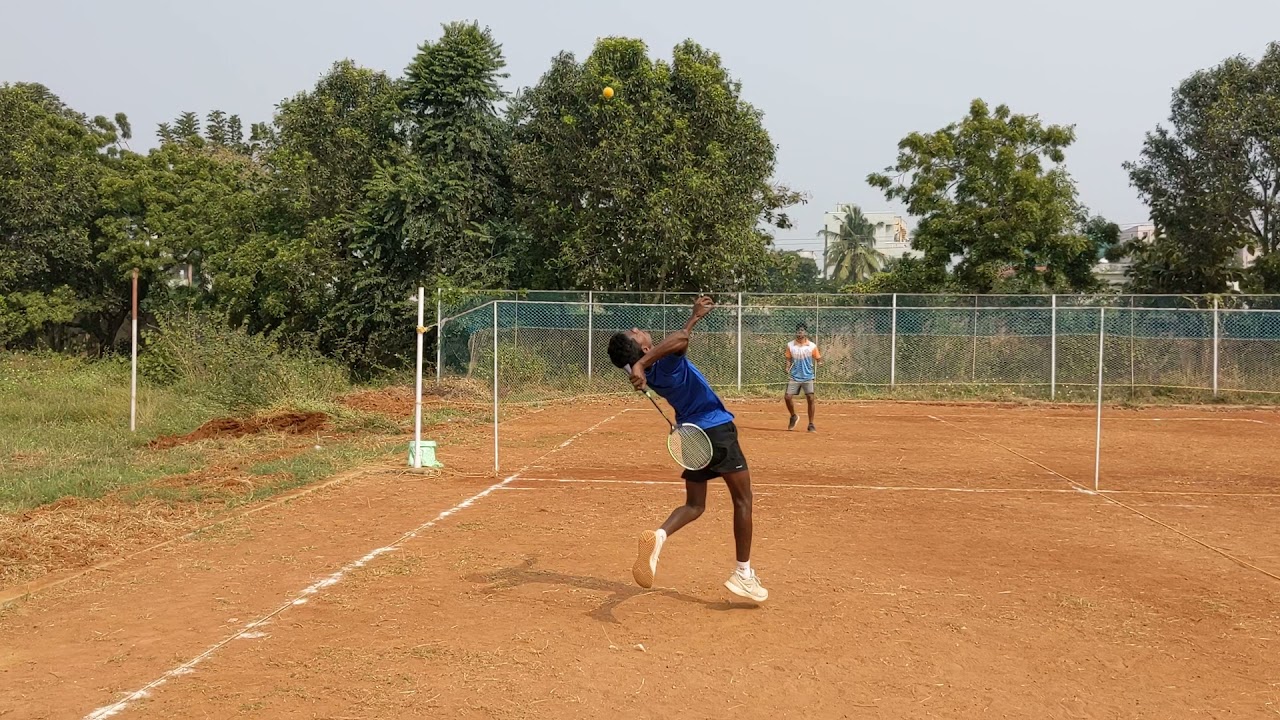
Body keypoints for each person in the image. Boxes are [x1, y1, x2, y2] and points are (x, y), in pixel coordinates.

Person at [606, 296, 767, 602]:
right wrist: (694, 317)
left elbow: (643, 356)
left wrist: (637, 364)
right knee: (743, 501)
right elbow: (681, 338)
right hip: (716, 430)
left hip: (692, 437)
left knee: (695, 505)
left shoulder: (650, 370)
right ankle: (743, 574)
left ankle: (659, 536)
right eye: (636, 333)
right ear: (642, 349)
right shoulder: (664, 363)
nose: (639, 328)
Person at [785, 323, 821, 432]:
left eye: (802, 331)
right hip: (795, 376)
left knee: (810, 398)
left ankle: (811, 424)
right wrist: (787, 367)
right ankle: (793, 416)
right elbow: (788, 358)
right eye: (798, 330)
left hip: (808, 376)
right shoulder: (790, 345)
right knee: (787, 397)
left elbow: (818, 357)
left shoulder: (811, 346)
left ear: (805, 332)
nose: (800, 332)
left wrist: (819, 362)